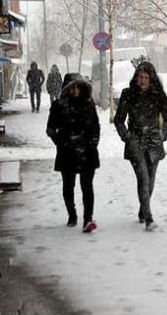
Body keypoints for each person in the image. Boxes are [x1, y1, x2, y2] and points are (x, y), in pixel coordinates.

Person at [114, 62, 167, 231]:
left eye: (146, 78)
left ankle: (143, 210)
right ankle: (148, 218)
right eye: (140, 77)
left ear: (151, 79)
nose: (143, 81)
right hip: (135, 141)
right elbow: (119, 119)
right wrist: (125, 136)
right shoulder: (128, 94)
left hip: (154, 142)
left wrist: (163, 135)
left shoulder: (158, 95)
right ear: (136, 77)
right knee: (143, 179)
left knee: (151, 182)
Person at [46, 73, 100, 233]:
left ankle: (88, 219)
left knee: (87, 186)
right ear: (67, 89)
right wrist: (61, 143)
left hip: (87, 152)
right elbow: (50, 129)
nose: (75, 90)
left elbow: (96, 127)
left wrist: (92, 143)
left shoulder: (88, 104)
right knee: (68, 186)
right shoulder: (58, 106)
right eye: (72, 87)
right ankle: (72, 214)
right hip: (67, 152)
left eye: (78, 87)